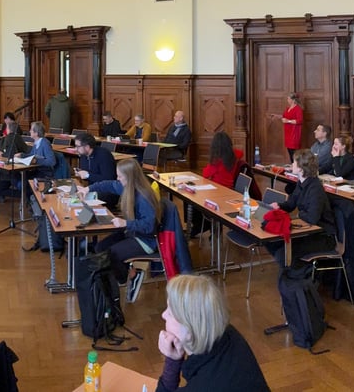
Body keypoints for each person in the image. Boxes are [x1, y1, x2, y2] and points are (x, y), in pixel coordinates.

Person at [156, 274, 269, 392]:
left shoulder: (203, 386)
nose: (163, 315)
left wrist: (172, 362)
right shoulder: (228, 333)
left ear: (189, 329)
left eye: (170, 313)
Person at [79, 159, 159, 295]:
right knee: (100, 248)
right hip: (132, 232)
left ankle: (125, 279)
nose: (117, 179)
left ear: (130, 177)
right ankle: (123, 276)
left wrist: (126, 223)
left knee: (111, 254)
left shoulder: (143, 196)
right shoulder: (126, 186)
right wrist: (88, 188)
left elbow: (149, 226)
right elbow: (108, 184)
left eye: (120, 176)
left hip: (146, 240)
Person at [267, 149, 336, 264]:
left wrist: (299, 214)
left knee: (282, 254)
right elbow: (291, 204)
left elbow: (312, 218)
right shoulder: (301, 183)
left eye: (294, 162)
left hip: (322, 236)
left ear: (300, 168)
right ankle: (294, 268)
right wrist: (278, 205)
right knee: (272, 242)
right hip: (308, 230)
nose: (292, 164)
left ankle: (296, 271)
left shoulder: (315, 189)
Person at [271, 93, 303, 162]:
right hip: (288, 133)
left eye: (288, 98)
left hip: (294, 133)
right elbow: (284, 116)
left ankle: (295, 165)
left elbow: (299, 121)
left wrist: (288, 121)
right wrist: (277, 116)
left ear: (293, 100)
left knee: (293, 152)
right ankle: (293, 164)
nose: (287, 100)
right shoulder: (288, 108)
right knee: (289, 150)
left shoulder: (298, 109)